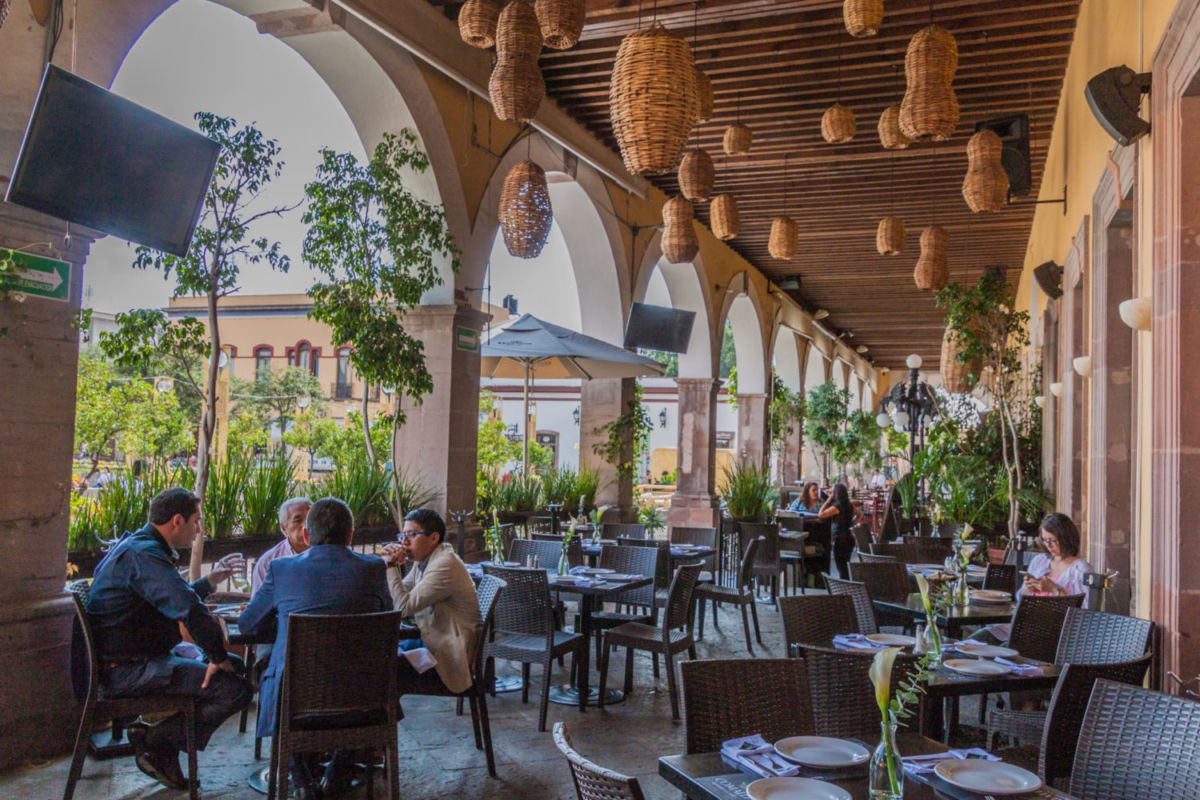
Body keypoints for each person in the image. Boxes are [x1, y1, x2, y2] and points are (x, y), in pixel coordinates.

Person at [86, 488, 251, 791]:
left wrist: (210, 582)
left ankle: (160, 746)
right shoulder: (143, 555)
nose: (198, 529)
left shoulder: (138, 548)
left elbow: (176, 596)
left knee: (236, 667)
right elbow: (188, 609)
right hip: (126, 671)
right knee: (235, 688)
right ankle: (154, 742)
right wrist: (217, 657)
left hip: (131, 660)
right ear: (178, 521)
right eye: (196, 521)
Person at [238, 497, 390, 799]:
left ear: (307, 535)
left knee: (278, 676)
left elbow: (247, 625)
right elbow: (388, 619)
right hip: (363, 702)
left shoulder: (281, 569)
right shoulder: (373, 569)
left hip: (294, 703)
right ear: (351, 536)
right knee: (369, 673)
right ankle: (337, 770)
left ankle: (302, 780)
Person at [380, 509, 482, 696]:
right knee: (380, 655)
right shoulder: (424, 561)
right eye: (402, 535)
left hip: (452, 656)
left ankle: (383, 722)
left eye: (412, 535)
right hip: (433, 639)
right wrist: (388, 565)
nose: (404, 541)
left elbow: (403, 608)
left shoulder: (444, 564)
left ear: (434, 538)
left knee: (385, 668)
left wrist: (391, 566)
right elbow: (398, 595)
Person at [1022, 512, 1092, 606]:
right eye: (1045, 540)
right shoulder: (1039, 561)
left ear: (1066, 538)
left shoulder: (1081, 570)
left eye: (1052, 541)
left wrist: (1054, 589)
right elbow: (1020, 599)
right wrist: (1029, 587)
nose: (1048, 546)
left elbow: (1085, 611)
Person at [250, 496, 312, 594]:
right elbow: (260, 606)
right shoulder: (268, 562)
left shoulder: (330, 554)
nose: (306, 525)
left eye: (310, 519)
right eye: (298, 520)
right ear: (284, 528)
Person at [818, 483, 862, 579]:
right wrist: (853, 523)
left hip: (840, 540)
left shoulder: (837, 507)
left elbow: (820, 514)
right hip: (849, 538)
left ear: (836, 493)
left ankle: (845, 588)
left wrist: (828, 500)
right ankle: (847, 585)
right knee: (845, 565)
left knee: (841, 567)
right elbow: (860, 514)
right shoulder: (849, 505)